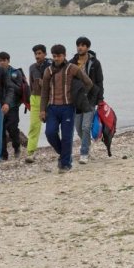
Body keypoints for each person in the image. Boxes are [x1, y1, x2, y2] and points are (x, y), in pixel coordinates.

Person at [40, 44, 93, 173]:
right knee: (50, 133)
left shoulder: (72, 68)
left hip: (68, 107)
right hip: (52, 108)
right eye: (54, 56)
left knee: (67, 137)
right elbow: (44, 92)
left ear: (64, 55)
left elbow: (88, 83)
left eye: (59, 56)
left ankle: (65, 164)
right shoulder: (48, 71)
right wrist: (42, 110)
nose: (56, 58)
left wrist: (80, 95)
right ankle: (64, 154)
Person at [69, 36, 104, 164]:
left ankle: (84, 152)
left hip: (90, 99)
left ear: (88, 47)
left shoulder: (95, 63)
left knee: (86, 126)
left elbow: (99, 81)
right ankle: (87, 144)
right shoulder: (71, 63)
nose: (80, 47)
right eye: (78, 45)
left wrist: (100, 98)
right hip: (76, 99)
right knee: (78, 127)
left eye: (83, 45)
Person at [25, 44, 51, 163]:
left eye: (39, 53)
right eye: (35, 54)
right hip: (35, 98)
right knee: (34, 126)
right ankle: (31, 152)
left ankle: (61, 149)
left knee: (53, 126)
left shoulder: (51, 65)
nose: (37, 56)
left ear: (45, 54)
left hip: (50, 99)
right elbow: (31, 84)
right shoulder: (32, 67)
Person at [0, 52, 24, 160]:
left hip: (13, 106)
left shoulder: (15, 73)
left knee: (12, 129)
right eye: (0, 60)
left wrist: (8, 82)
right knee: (0, 131)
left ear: (8, 61)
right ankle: (3, 154)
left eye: (4, 60)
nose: (2, 63)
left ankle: (17, 148)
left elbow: (20, 89)